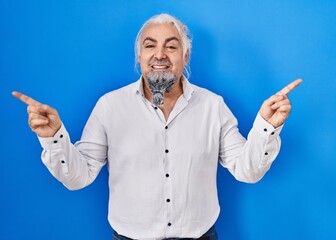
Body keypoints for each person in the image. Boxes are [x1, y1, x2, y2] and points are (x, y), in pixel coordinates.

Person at [12, 13, 302, 240]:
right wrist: (53, 139)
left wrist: (267, 125)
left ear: (185, 57)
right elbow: (79, 177)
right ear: (139, 56)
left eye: (171, 46)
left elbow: (247, 171)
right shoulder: (109, 106)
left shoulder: (213, 106)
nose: (160, 54)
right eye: (150, 45)